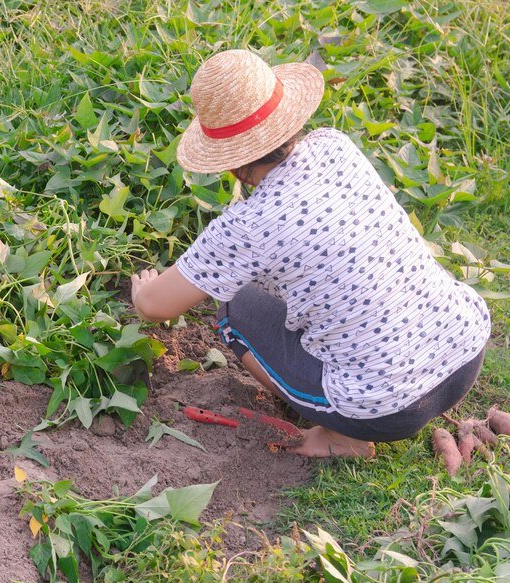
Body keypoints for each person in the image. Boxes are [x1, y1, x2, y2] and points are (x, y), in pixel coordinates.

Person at [130, 49, 491, 458]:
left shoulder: (247, 226)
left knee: (233, 309)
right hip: (464, 353)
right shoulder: (336, 147)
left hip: (387, 410)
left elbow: (154, 307)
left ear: (228, 163)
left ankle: (342, 436)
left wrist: (142, 290)